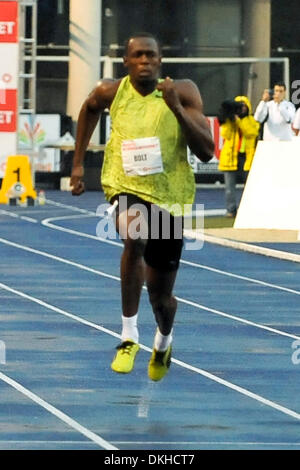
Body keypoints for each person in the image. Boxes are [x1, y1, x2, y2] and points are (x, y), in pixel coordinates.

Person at [70, 32, 214, 381]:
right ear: (126, 61)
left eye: (151, 55)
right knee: (133, 236)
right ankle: (127, 336)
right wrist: (76, 165)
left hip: (170, 195)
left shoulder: (183, 91)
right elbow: (88, 109)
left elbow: (207, 151)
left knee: (162, 298)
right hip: (126, 183)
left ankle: (163, 341)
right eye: (138, 56)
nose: (145, 61)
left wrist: (176, 109)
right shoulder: (110, 91)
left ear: (161, 60)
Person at [217, 96, 260, 218]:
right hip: (231, 157)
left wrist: (239, 121)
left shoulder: (252, 120)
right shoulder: (230, 121)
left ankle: (248, 209)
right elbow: (225, 135)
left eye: (243, 107)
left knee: (249, 187)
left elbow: (251, 132)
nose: (241, 109)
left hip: (247, 158)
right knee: (229, 188)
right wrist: (227, 121)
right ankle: (231, 210)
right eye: (239, 107)